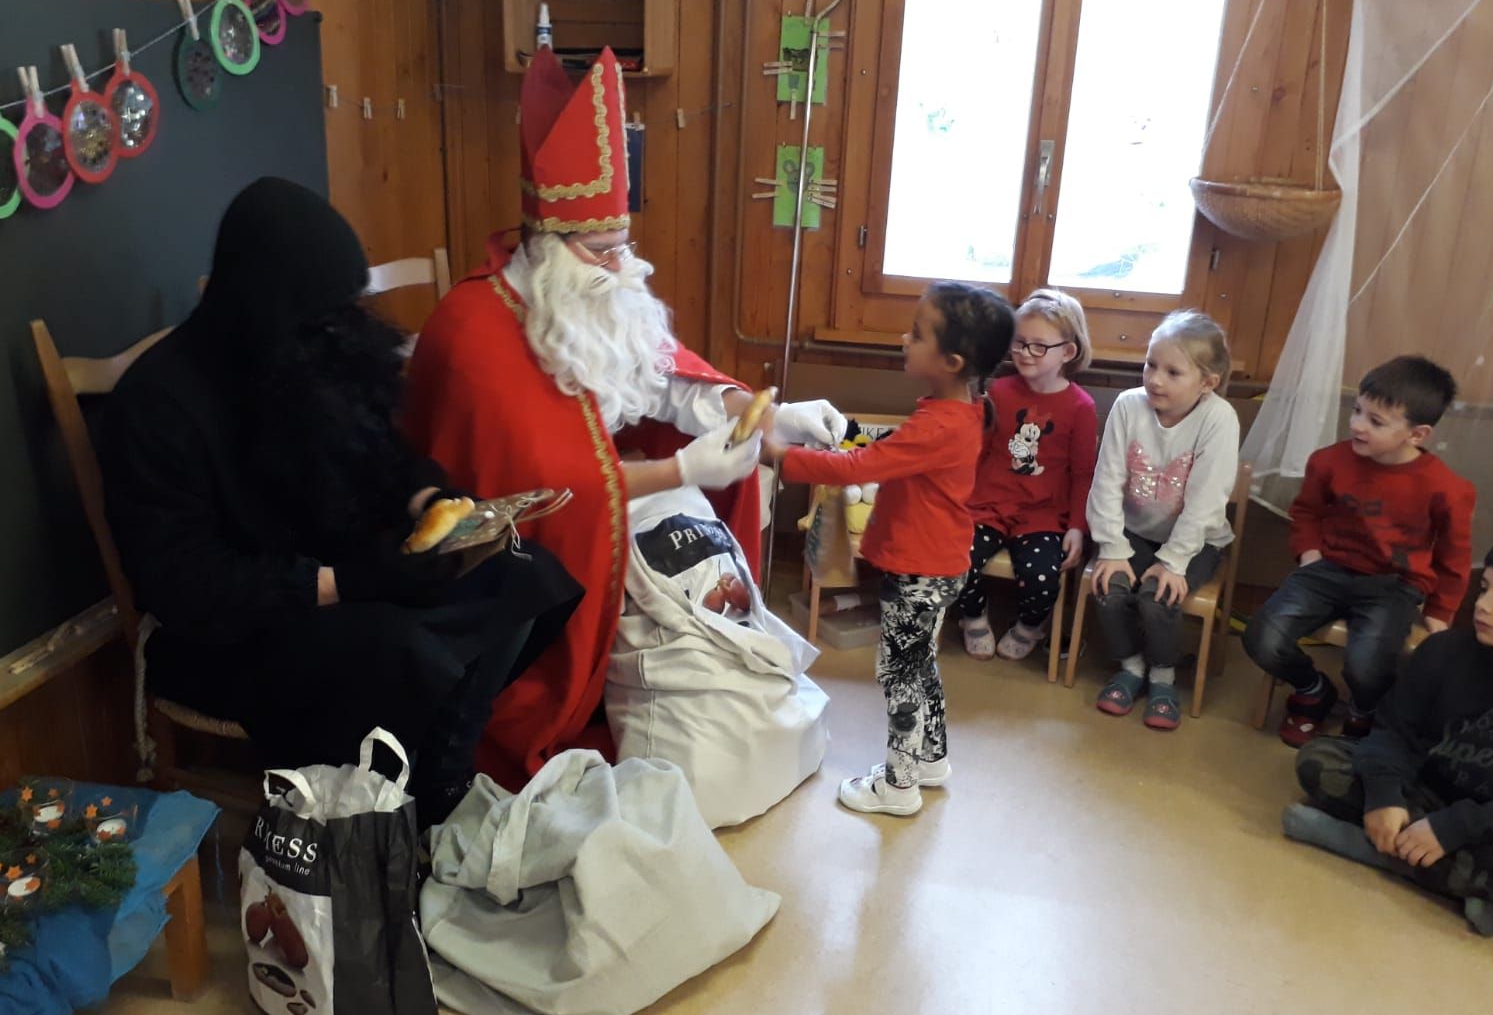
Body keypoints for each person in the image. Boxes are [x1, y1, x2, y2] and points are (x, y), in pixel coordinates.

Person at [406, 47, 846, 788]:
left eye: (625, 246)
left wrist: (762, 415)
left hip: (613, 506)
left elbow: (658, 376)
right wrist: (680, 470)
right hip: (518, 558)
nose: (622, 267)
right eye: (604, 250)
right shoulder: (472, 329)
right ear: (548, 245)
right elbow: (533, 492)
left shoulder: (583, 286)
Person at [101, 177, 582, 826]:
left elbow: (382, 454)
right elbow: (190, 588)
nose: (340, 328)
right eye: (326, 315)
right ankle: (394, 809)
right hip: (224, 638)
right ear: (270, 307)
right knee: (393, 647)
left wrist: (429, 499)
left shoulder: (307, 348)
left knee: (522, 573)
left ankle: (441, 776)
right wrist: (348, 581)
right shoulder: (155, 404)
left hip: (333, 582)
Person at [768, 282, 1014, 817]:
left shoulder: (940, 424)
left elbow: (860, 467)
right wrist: (850, 430)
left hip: (918, 572)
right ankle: (930, 760)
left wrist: (781, 455)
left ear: (951, 361)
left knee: (899, 674)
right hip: (940, 565)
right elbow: (891, 449)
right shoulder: (961, 410)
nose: (905, 338)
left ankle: (899, 786)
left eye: (918, 334)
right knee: (921, 666)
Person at [1283, 531, 1493, 937]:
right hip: (1423, 794)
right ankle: (1475, 884)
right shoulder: (1443, 652)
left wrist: (1455, 828)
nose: (1483, 604)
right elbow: (1391, 732)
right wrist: (1384, 795)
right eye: (1484, 588)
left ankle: (1365, 847)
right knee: (1318, 760)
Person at [1244, 355, 1476, 747]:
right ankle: (1313, 692)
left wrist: (1441, 611)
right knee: (1263, 637)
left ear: (1417, 434)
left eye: (1375, 421)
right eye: (1357, 411)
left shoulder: (1448, 489)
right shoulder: (1329, 461)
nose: (1357, 425)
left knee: (1368, 666)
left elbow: (1455, 556)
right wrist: (1309, 552)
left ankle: (1365, 710)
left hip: (1394, 585)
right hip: (1327, 570)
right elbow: (1307, 512)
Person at [1085, 310, 1239, 730]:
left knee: (1158, 599)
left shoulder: (1218, 418)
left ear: (1207, 382)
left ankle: (1163, 676)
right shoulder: (1128, 406)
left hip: (1196, 541)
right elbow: (1106, 480)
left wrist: (1174, 562)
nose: (1155, 379)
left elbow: (1206, 503)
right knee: (1109, 589)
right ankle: (1132, 667)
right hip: (1134, 532)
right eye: (1151, 364)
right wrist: (1111, 548)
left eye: (1173, 372)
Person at [956, 288, 1097, 663]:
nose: (1024, 353)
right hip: (988, 504)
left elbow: (1083, 473)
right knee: (955, 557)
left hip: (1042, 515)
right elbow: (977, 451)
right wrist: (957, 500)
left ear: (1067, 352)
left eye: (1038, 346)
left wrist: (1077, 527)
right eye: (1018, 343)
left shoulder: (1081, 407)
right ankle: (973, 616)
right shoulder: (999, 391)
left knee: (1042, 579)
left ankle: (1030, 627)